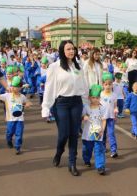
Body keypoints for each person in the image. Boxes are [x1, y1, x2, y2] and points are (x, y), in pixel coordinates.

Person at [42, 40, 87, 176]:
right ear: (62, 51)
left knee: (74, 134)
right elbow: (49, 88)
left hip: (76, 102)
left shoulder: (79, 66)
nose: (71, 51)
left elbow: (83, 86)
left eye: (73, 49)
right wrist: (46, 107)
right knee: (64, 134)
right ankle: (59, 151)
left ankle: (72, 163)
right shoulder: (54, 67)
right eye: (68, 49)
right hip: (61, 103)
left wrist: (87, 104)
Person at [0, 76, 32, 155]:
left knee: (19, 134)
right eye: (13, 86)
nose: (14, 88)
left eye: (17, 87)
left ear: (20, 87)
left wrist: (28, 104)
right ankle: (9, 140)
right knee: (9, 133)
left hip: (20, 119)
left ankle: (18, 147)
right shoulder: (7, 96)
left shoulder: (22, 96)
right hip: (10, 120)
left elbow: (28, 102)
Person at [81, 84, 107, 175]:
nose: (95, 99)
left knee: (99, 149)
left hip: (97, 132)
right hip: (87, 133)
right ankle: (86, 159)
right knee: (87, 148)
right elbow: (82, 116)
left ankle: (100, 166)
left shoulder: (102, 108)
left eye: (97, 97)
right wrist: (84, 117)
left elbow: (104, 120)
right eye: (93, 97)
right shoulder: (86, 107)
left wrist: (102, 130)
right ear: (89, 98)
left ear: (100, 98)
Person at [100, 72, 119, 158]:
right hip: (102, 118)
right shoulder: (100, 94)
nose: (108, 86)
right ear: (103, 85)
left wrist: (116, 111)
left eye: (110, 84)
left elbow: (115, 106)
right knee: (103, 133)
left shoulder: (114, 95)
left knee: (111, 133)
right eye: (106, 84)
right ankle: (103, 148)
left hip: (111, 117)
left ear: (112, 84)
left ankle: (113, 150)